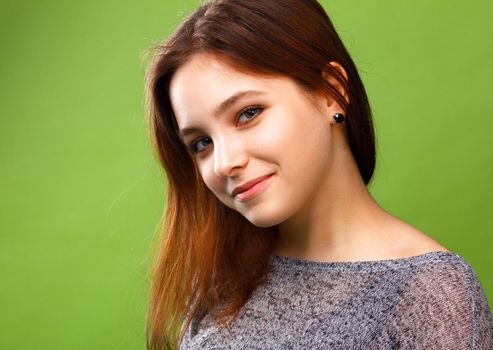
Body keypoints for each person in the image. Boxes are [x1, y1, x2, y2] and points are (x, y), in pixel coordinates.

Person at [143, 0, 493, 348]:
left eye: (248, 113)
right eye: (202, 142)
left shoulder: (430, 293)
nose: (223, 163)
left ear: (332, 92)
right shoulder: (223, 278)